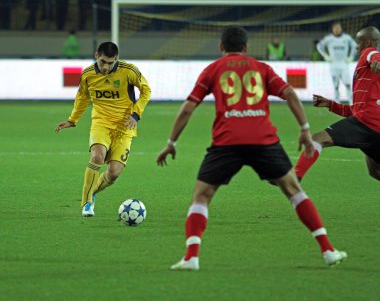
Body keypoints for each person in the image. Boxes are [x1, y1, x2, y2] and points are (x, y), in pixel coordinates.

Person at [156, 26, 346, 270]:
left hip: (227, 142)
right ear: (246, 48)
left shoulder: (212, 69)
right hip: (263, 140)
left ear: (221, 47)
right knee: (293, 189)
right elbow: (290, 94)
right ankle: (328, 250)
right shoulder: (262, 68)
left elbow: (187, 108)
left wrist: (171, 143)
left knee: (202, 196)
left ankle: (191, 257)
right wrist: (305, 129)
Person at [55, 42, 151, 217]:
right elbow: (82, 97)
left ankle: (92, 193)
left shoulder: (129, 71)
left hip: (124, 126)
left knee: (114, 173)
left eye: (110, 62)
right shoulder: (88, 75)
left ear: (116, 59)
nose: (106, 67)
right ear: (96, 55)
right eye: (103, 62)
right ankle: (87, 203)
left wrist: (136, 114)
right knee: (97, 156)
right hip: (101, 122)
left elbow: (146, 90)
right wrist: (73, 120)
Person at [295, 26, 380, 185]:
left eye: (358, 42)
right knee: (375, 171)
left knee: (318, 139)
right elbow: (355, 111)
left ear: (367, 42)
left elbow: (375, 55)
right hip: (374, 126)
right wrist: (330, 104)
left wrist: (377, 61)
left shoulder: (369, 53)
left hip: (367, 123)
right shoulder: (368, 77)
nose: (356, 46)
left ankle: (295, 176)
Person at [317, 21, 357, 104]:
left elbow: (355, 46)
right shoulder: (329, 39)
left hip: (344, 65)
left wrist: (351, 56)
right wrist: (325, 55)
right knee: (336, 85)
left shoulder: (347, 38)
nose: (337, 30)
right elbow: (319, 46)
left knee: (348, 84)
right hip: (333, 65)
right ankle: (337, 102)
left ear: (341, 28)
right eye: (335, 28)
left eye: (338, 28)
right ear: (332, 29)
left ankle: (351, 102)